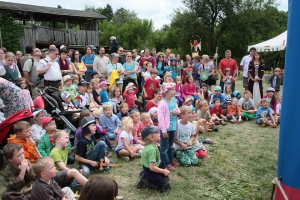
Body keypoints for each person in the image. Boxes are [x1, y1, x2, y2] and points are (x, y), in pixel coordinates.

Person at [137, 125, 171, 192]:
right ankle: (145, 182)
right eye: (157, 132)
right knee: (165, 187)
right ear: (151, 137)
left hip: (152, 166)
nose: (159, 133)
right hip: (150, 170)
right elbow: (152, 168)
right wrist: (164, 171)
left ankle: (144, 174)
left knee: (163, 167)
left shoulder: (153, 145)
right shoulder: (151, 149)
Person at [157, 82, 180, 171]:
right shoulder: (162, 103)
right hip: (166, 129)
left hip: (173, 127)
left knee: (170, 145)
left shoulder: (174, 101)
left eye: (174, 89)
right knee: (164, 147)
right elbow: (161, 118)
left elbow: (178, 109)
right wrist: (164, 131)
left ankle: (170, 160)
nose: (175, 91)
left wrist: (177, 111)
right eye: (172, 90)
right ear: (166, 92)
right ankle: (166, 163)